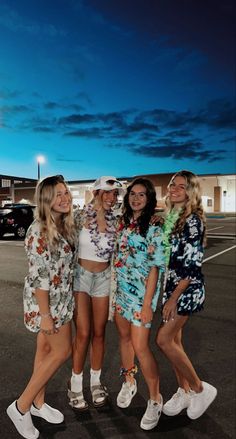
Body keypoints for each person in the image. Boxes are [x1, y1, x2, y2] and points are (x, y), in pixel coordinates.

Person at [6, 175, 75, 439]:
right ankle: (20, 407)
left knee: (46, 350)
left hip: (62, 301)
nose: (65, 197)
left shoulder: (62, 225)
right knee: (62, 351)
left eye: (66, 192)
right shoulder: (39, 231)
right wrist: (45, 315)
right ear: (46, 200)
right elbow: (39, 277)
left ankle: (37, 403)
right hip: (47, 303)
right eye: (58, 194)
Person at [156, 170, 217, 420]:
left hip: (185, 289)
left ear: (190, 191)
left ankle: (200, 388)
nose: (174, 189)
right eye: (172, 185)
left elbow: (192, 265)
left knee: (163, 340)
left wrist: (173, 298)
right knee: (175, 342)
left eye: (181, 186)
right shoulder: (173, 215)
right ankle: (183, 391)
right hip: (171, 285)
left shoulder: (192, 220)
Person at [112, 177, 165, 431]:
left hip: (142, 296)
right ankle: (129, 381)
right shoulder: (122, 222)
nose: (136, 198)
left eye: (142, 195)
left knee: (141, 346)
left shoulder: (155, 228)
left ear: (149, 198)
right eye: (133, 193)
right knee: (124, 339)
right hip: (121, 293)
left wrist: (147, 305)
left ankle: (155, 398)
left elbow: (155, 269)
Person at [68, 176, 124, 410]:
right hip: (81, 277)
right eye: (107, 193)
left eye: (115, 194)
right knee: (83, 333)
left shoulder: (118, 220)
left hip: (103, 279)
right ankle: (75, 385)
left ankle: (95, 383)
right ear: (97, 193)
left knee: (99, 333)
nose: (112, 198)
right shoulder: (79, 216)